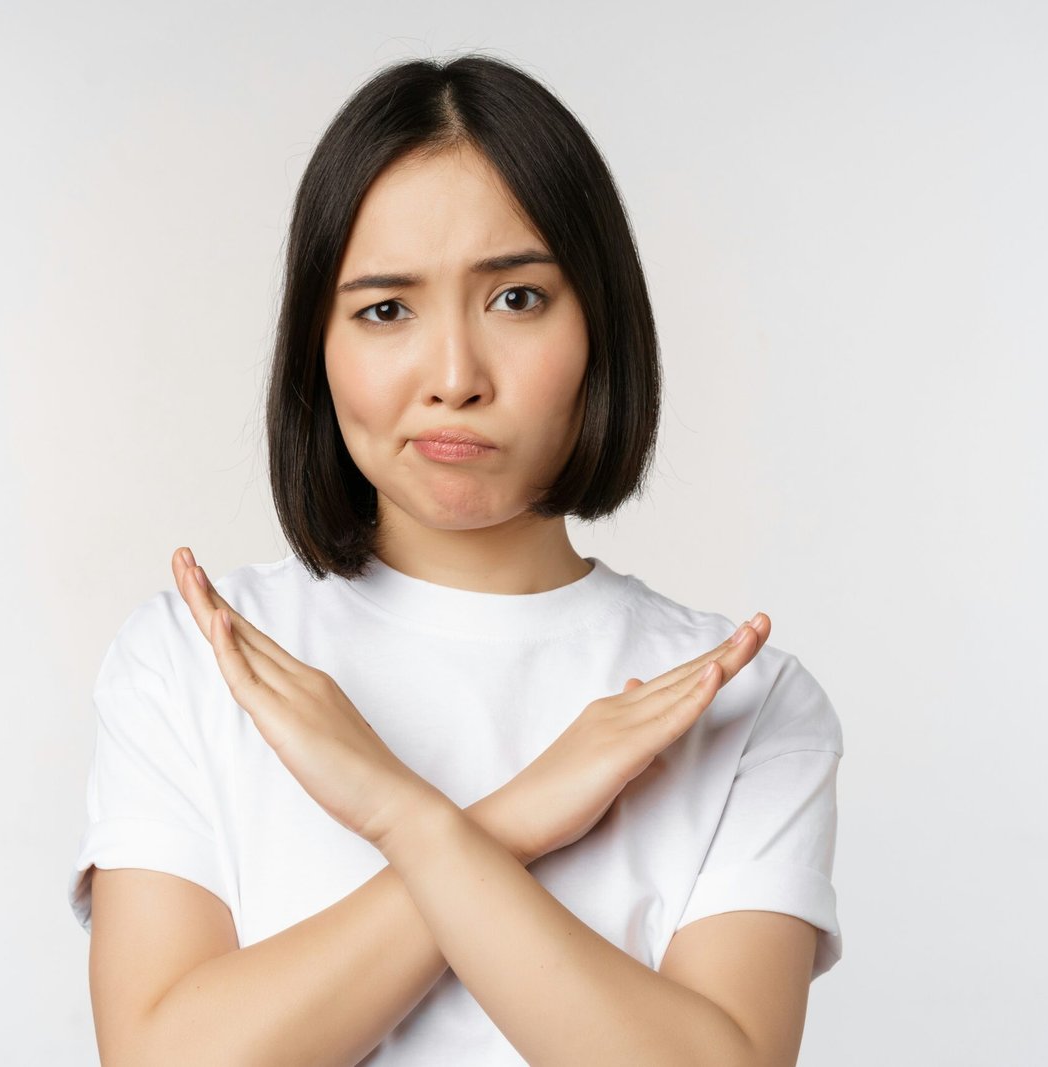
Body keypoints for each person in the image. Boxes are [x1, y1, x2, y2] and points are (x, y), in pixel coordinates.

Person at [67, 53, 844, 1067]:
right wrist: (512, 818)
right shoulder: (199, 659)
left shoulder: (741, 701)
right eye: (385, 309)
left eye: (515, 299)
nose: (453, 377)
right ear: (317, 345)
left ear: (600, 324)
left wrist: (403, 813)